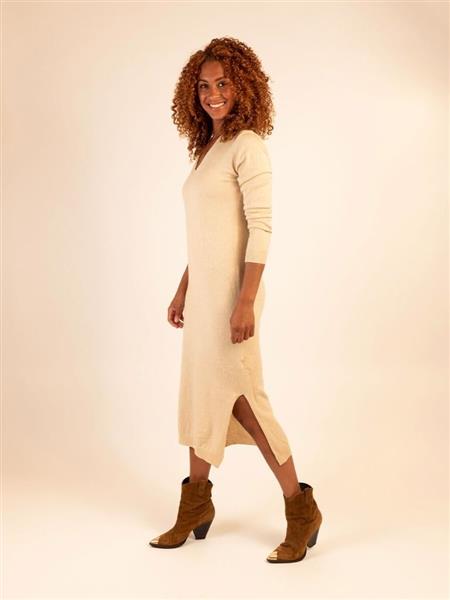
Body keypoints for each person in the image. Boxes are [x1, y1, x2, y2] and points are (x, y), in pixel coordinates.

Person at [149, 37, 322, 563]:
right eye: (204, 86)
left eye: (223, 83)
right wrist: (184, 287)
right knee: (200, 394)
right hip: (205, 299)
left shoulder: (248, 146)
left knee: (245, 400)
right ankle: (195, 507)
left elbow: (260, 227)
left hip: (233, 299)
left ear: (243, 86)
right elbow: (209, 234)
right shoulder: (209, 150)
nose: (213, 94)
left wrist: (245, 301)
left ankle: (302, 510)